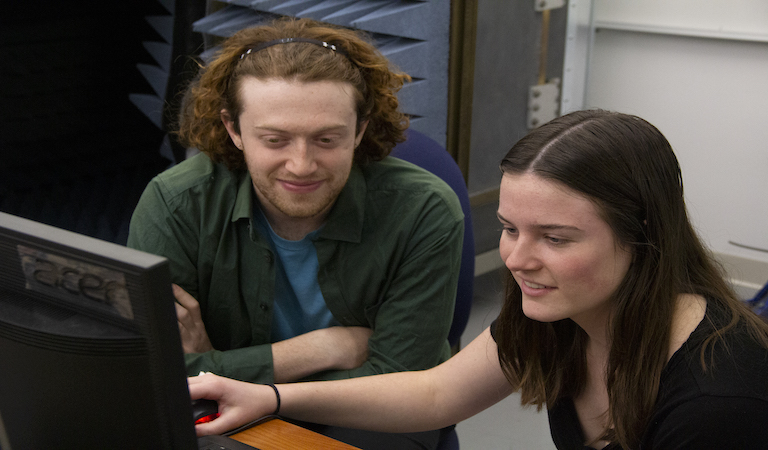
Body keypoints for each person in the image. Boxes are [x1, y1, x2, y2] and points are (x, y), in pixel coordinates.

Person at [188, 110, 768, 449]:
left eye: (556, 238)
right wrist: (269, 396)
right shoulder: (560, 311)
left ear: (643, 236)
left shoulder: (717, 398)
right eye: (510, 228)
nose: (516, 259)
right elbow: (436, 394)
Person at [127, 17, 464, 449]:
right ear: (234, 129)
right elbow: (156, 372)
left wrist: (227, 371)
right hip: (233, 407)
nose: (301, 165)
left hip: (375, 413)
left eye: (326, 139)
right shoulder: (176, 203)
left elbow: (397, 377)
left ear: (359, 129)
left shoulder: (423, 210)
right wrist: (324, 349)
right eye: (275, 140)